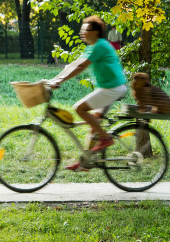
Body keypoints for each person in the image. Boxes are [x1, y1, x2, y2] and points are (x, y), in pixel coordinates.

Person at [47, 15, 127, 171]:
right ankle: (86, 162)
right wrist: (53, 79)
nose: (82, 33)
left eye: (86, 30)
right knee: (94, 124)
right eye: (82, 30)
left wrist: (59, 82)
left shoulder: (100, 46)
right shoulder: (92, 46)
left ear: (96, 32)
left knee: (80, 108)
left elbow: (80, 67)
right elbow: (74, 64)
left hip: (112, 88)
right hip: (108, 87)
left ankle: (105, 138)